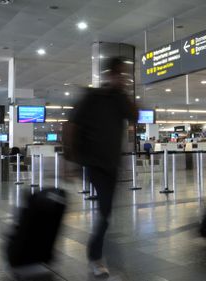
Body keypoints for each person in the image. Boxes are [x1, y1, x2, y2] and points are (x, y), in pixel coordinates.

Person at [69, 57, 138, 278]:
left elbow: (135, 116)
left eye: (125, 74)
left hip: (112, 164)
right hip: (95, 163)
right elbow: (72, 125)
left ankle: (97, 251)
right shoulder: (92, 97)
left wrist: (125, 92)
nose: (122, 77)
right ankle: (95, 256)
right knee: (106, 209)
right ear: (108, 74)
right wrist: (69, 159)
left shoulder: (120, 99)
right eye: (119, 73)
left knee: (106, 210)